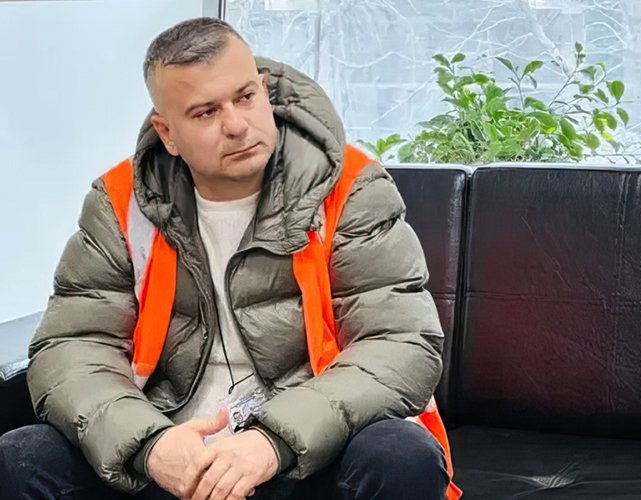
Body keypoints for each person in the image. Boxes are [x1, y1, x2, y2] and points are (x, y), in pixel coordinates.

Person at [0, 17, 453, 500]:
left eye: (245, 97)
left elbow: (400, 341)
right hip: (173, 450)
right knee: (23, 457)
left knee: (401, 455)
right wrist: (149, 445)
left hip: (306, 452)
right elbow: (72, 345)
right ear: (167, 133)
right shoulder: (120, 201)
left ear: (265, 90)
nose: (236, 126)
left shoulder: (350, 186)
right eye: (205, 113)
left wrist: (274, 440)